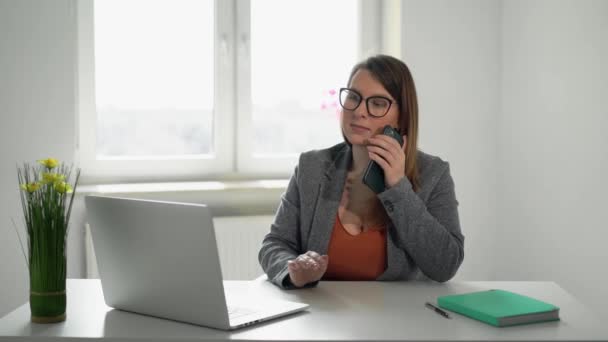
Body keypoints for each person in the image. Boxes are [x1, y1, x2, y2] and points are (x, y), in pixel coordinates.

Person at [258, 55, 464, 289]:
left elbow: (446, 265)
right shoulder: (311, 167)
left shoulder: (434, 174)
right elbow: (274, 244)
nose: (359, 111)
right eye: (354, 97)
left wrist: (398, 186)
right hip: (323, 317)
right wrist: (293, 271)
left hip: (401, 319)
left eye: (377, 103)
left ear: (403, 117)